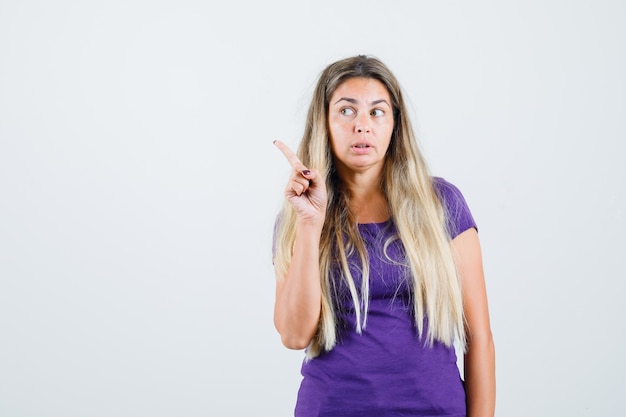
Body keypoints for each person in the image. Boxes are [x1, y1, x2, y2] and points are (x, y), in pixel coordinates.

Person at [272, 55, 495, 417]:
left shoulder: (442, 203)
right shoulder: (299, 216)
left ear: (394, 125)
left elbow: (479, 338)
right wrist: (311, 225)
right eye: (346, 111)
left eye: (377, 112)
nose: (362, 125)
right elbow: (294, 336)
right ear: (324, 122)